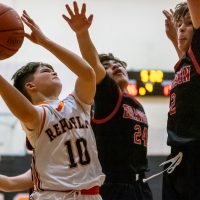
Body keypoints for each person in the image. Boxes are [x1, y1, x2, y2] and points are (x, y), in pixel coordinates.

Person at [0, 10, 105, 200]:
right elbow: (24, 111)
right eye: (47, 71)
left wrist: (45, 42)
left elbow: (88, 74)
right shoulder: (37, 115)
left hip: (91, 194)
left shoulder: (77, 103)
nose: (54, 72)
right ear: (30, 86)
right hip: (54, 196)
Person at [62, 2, 153, 200]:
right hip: (114, 187)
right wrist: (82, 33)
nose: (116, 67)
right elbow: (92, 64)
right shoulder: (109, 97)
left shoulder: (135, 102)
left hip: (140, 186)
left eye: (119, 64)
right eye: (108, 66)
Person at [161, 1, 200, 200]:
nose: (182, 28)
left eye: (188, 23)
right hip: (177, 156)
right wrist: (172, 38)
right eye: (179, 25)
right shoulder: (185, 63)